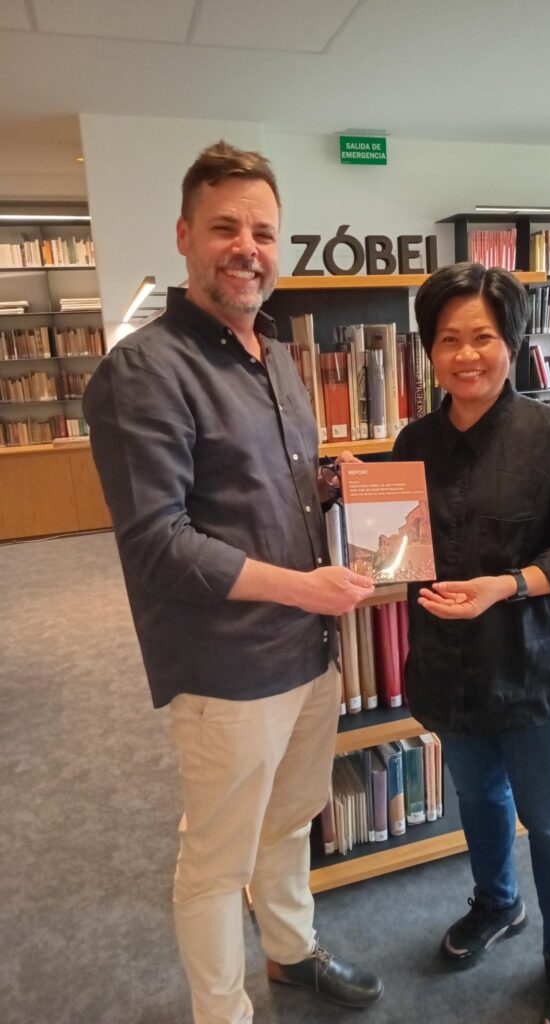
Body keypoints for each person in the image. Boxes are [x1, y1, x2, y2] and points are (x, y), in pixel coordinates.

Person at [83, 141, 383, 1024]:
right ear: (184, 236)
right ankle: (224, 1013)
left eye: (262, 231)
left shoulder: (279, 357)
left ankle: (290, 955)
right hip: (226, 671)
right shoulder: (141, 372)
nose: (246, 246)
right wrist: (301, 588)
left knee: (292, 825)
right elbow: (158, 543)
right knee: (215, 862)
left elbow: (264, 487)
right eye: (225, 227)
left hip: (309, 653)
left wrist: (336, 484)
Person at [391, 263, 550, 1024]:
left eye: (482, 337)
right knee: (478, 796)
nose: (466, 355)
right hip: (450, 666)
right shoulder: (413, 440)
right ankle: (496, 903)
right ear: (429, 350)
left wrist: (509, 584)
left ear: (511, 343)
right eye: (448, 339)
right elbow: (399, 546)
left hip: (538, 664)